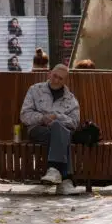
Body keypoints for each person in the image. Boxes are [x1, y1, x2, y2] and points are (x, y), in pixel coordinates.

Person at [20, 64, 80, 194]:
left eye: (61, 78)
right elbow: (25, 115)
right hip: (38, 129)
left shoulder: (70, 99)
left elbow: (74, 122)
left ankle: (54, 170)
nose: (56, 80)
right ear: (49, 74)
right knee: (63, 136)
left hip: (61, 132)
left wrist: (56, 117)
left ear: (65, 80)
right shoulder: (35, 90)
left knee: (59, 129)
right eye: (55, 76)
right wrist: (43, 118)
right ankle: (65, 180)